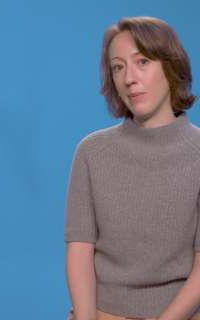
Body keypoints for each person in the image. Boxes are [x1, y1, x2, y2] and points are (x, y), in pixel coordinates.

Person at [65, 16, 200, 320]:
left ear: (170, 67)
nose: (129, 78)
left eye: (142, 62)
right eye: (118, 67)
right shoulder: (92, 152)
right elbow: (80, 252)